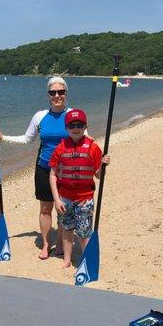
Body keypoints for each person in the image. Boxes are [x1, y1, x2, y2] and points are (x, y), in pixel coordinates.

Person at [0, 76, 72, 259]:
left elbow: (85, 139)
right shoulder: (40, 116)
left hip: (67, 170)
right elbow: (28, 139)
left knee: (64, 209)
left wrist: (100, 158)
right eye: (53, 92)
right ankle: (45, 244)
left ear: (66, 93)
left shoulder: (73, 115)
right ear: (48, 95)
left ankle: (60, 242)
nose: (57, 95)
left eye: (61, 92)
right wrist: (4, 138)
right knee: (45, 208)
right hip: (44, 168)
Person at [49, 109, 110, 268]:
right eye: (72, 125)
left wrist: (103, 165)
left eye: (79, 125)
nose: (76, 128)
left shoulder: (93, 148)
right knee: (67, 229)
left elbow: (98, 175)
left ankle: (87, 260)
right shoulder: (60, 148)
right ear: (66, 127)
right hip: (64, 199)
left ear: (85, 126)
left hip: (85, 199)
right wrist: (56, 199)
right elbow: (53, 174)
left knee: (84, 232)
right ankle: (67, 259)